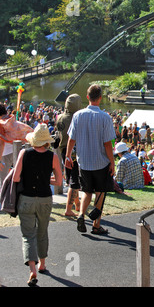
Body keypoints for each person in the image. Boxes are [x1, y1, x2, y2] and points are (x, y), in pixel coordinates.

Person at [13, 123, 63, 286]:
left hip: (26, 198)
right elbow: (59, 181)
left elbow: (15, 178)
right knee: (43, 231)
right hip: (45, 198)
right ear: (47, 142)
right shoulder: (53, 156)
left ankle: (32, 269)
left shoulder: (24, 153)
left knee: (28, 235)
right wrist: (46, 179)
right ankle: (42, 263)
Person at [65, 84, 116, 235]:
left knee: (86, 191)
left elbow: (71, 139)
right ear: (100, 98)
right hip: (100, 161)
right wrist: (112, 162)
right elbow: (107, 144)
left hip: (84, 161)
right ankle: (96, 224)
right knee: (100, 192)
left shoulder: (78, 115)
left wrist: (68, 156)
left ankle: (81, 214)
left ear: (87, 97)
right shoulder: (105, 117)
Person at [55, 93, 82, 217]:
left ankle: (77, 204)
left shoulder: (60, 117)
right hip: (74, 151)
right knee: (74, 180)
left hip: (62, 149)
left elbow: (58, 133)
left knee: (71, 176)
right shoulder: (77, 117)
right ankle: (68, 209)